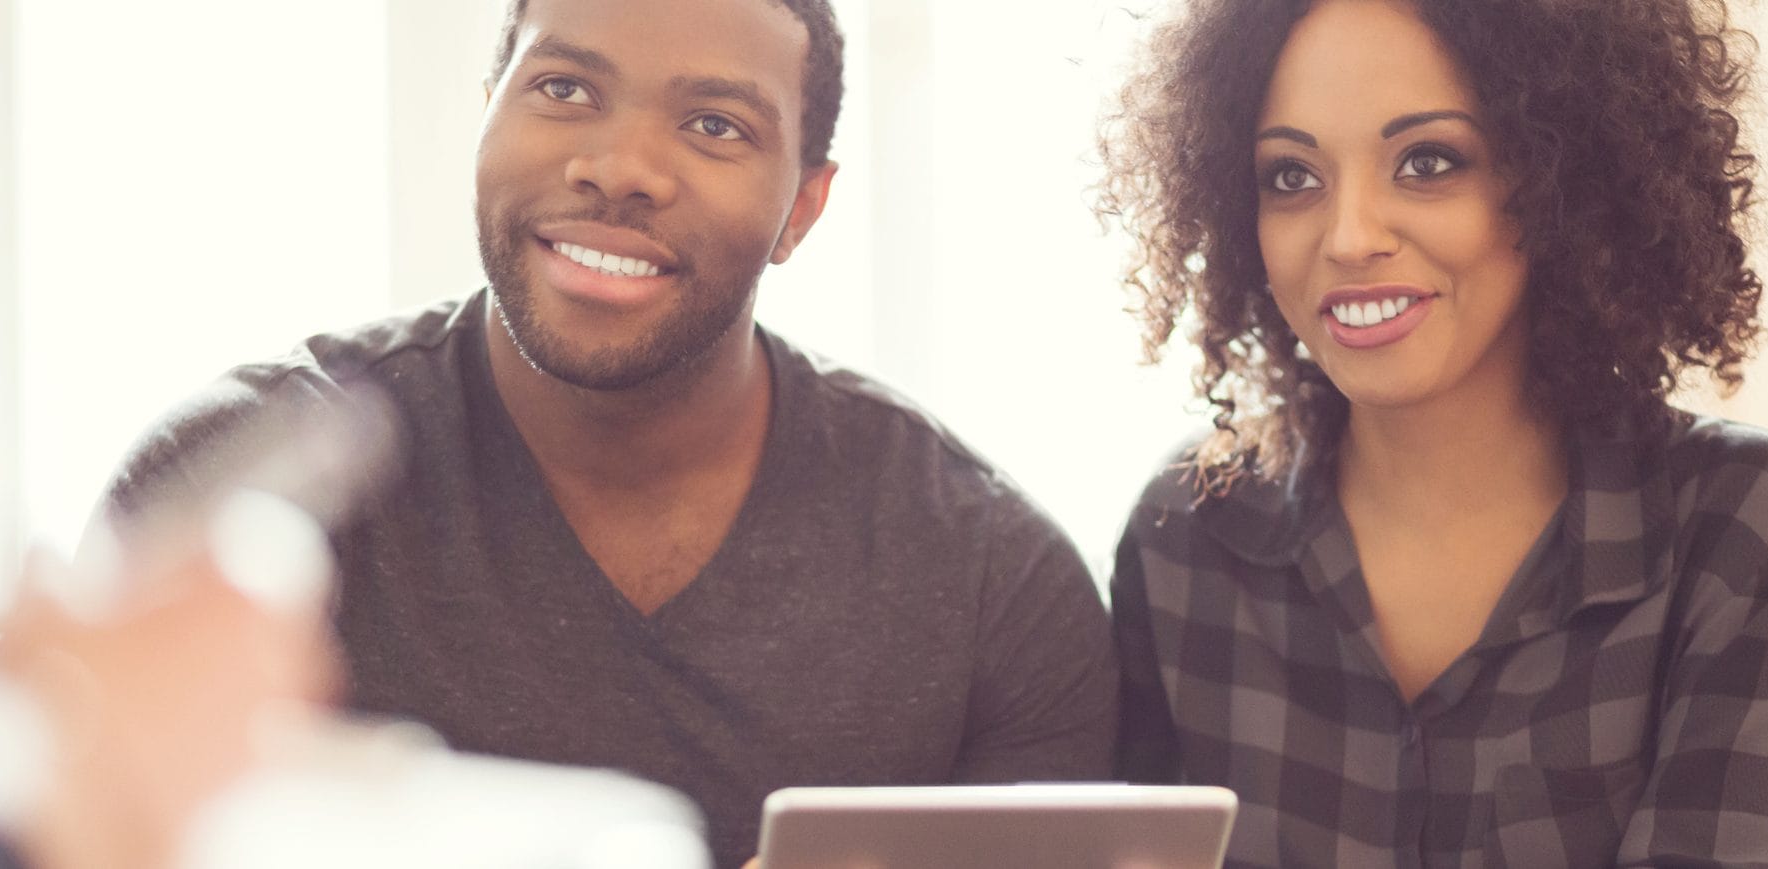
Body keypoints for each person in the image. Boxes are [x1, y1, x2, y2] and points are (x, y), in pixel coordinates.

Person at [98, 0, 1117, 866]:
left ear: (802, 208)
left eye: (715, 125)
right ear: (487, 109)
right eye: (566, 90)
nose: (620, 166)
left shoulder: (996, 583)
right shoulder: (228, 499)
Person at [1097, 0, 1768, 866]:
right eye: (1291, 176)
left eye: (1426, 161)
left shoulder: (1737, 525)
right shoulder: (1186, 540)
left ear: (1565, 180)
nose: (1347, 238)